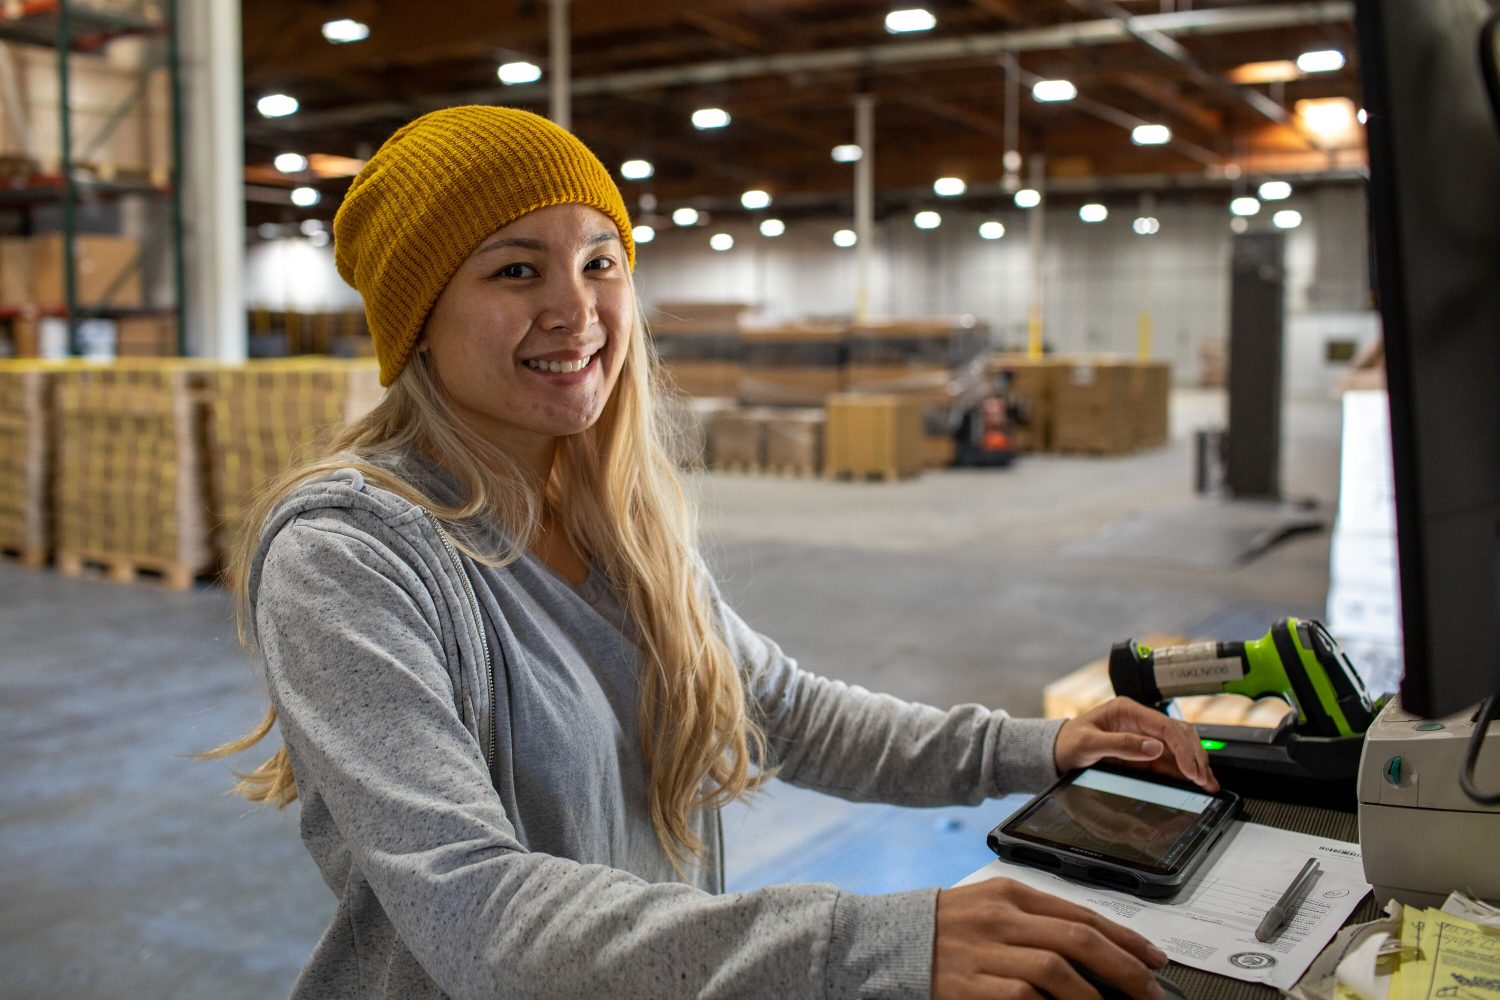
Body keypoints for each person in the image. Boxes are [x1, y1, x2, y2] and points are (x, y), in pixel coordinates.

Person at [206, 105, 1217, 1000]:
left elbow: (782, 708)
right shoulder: (352, 556)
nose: (577, 307)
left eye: (601, 261)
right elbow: (480, 913)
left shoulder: (615, 523)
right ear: (417, 318)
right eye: (516, 268)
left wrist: (1039, 745)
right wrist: (875, 942)